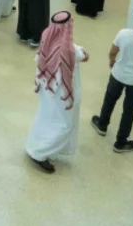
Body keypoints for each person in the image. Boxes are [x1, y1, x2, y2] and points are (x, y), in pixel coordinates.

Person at [91, 5, 133, 154]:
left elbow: (113, 52)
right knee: (129, 111)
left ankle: (102, 124)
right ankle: (121, 142)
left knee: (110, 100)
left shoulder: (123, 33)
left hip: (118, 74)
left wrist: (112, 61)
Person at [25, 12, 88, 173]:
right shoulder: (70, 50)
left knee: (45, 118)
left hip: (46, 88)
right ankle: (39, 154)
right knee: (64, 125)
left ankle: (34, 145)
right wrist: (79, 49)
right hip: (61, 94)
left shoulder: (47, 38)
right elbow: (84, 56)